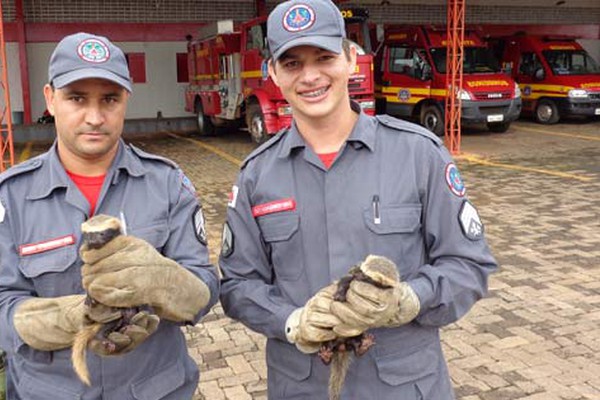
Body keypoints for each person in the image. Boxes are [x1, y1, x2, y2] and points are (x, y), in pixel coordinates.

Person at [218, 0, 498, 399]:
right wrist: (291, 321)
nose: (310, 76)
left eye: (324, 57)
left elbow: (468, 264)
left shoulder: (418, 154)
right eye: (292, 63)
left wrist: (410, 298)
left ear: (352, 60)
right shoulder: (256, 175)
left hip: (402, 386)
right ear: (273, 74)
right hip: (303, 387)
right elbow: (238, 285)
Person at [0, 32, 219, 399]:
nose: (95, 116)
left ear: (125, 101)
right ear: (50, 99)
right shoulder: (11, 196)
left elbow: (204, 290)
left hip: (157, 390)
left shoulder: (167, 183)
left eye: (110, 99)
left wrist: (163, 281)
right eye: (77, 98)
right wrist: (68, 318)